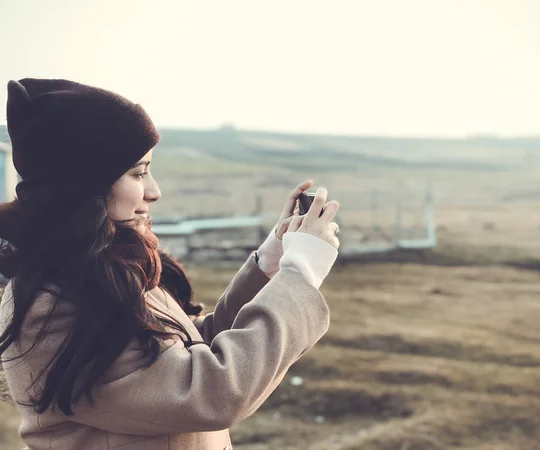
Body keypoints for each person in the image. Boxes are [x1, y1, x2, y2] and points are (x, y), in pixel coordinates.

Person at [0, 79, 340, 450]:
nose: (154, 191)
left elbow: (188, 348)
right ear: (85, 184)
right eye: (138, 172)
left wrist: (270, 262)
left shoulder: (102, 269)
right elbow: (208, 391)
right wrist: (299, 273)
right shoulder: (54, 304)